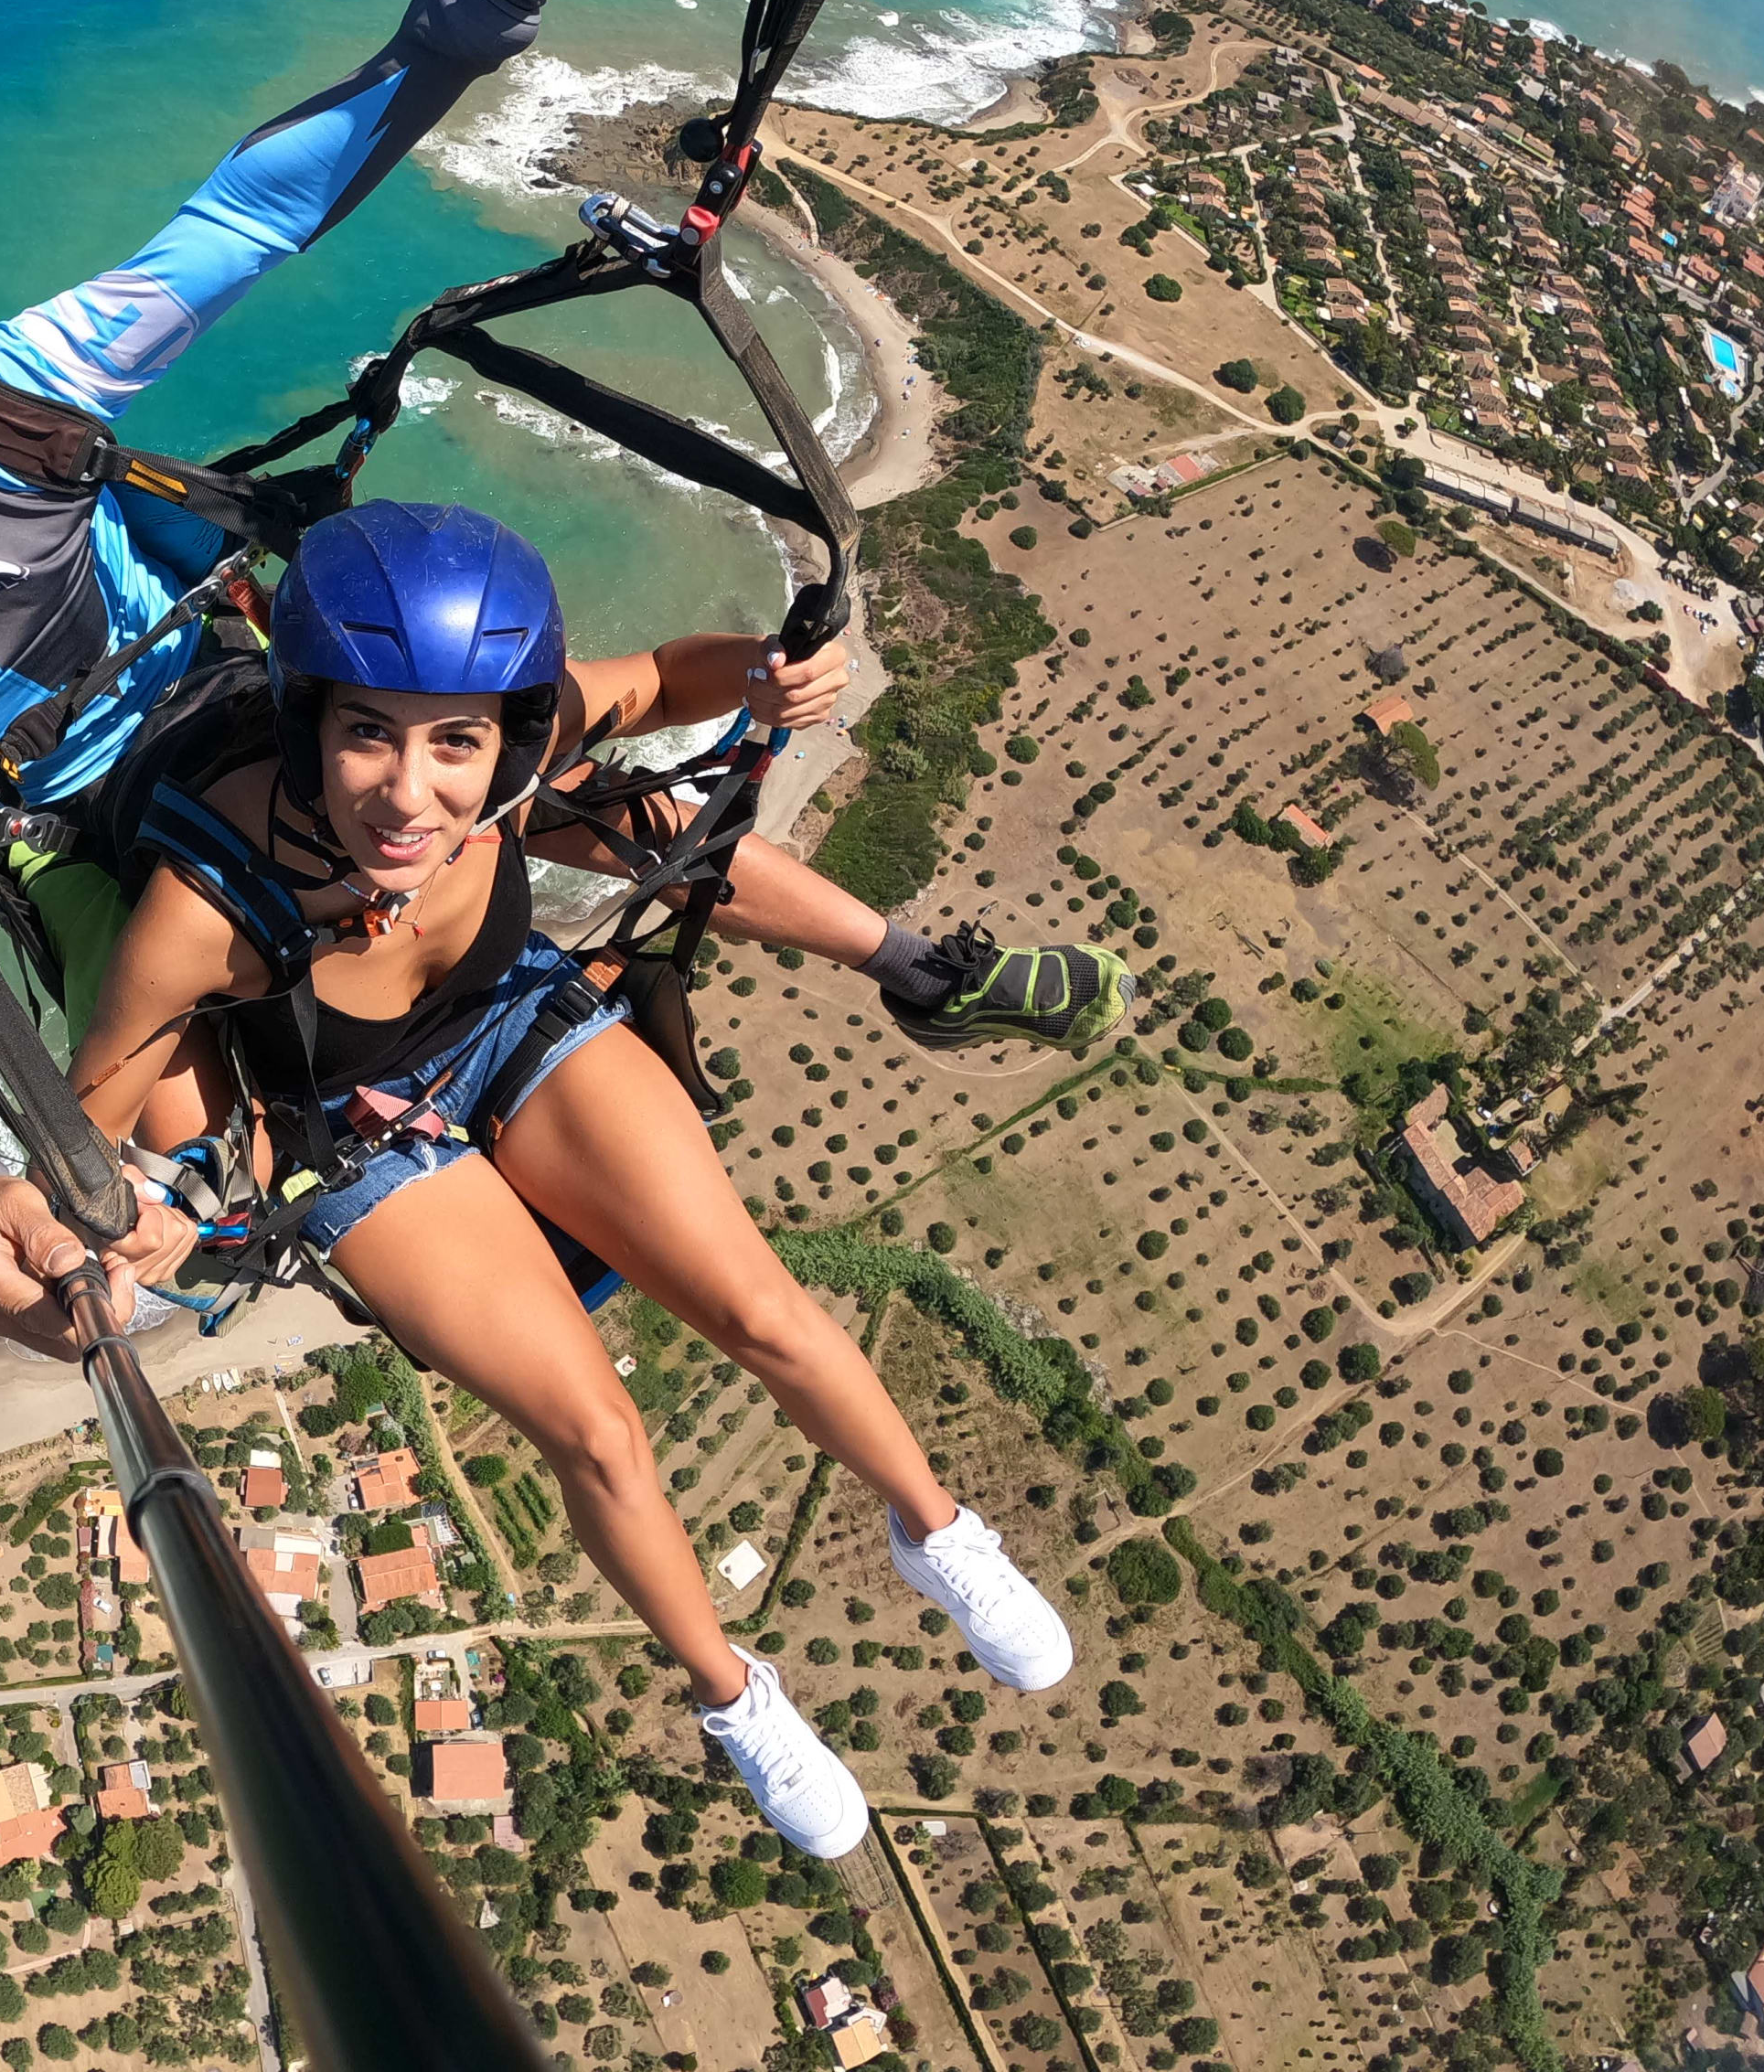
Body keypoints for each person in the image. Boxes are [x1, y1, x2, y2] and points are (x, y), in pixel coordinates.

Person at [0, 0, 1123, 1362]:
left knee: (553, 781)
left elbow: (251, 212)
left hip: (233, 688)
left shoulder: (22, 396)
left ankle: (925, 964)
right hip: (89, 840)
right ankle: (300, 1173)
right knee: (159, 1089)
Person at [64, 500, 1077, 1856]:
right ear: (311, 722)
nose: (408, 793)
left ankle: (938, 1531)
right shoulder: (206, 904)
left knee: (759, 1307)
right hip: (355, 1132)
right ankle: (735, 1698)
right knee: (597, 1429)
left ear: (507, 733)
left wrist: (770, 676)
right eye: (367, 731)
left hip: (514, 1027)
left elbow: (664, 680)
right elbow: (92, 1115)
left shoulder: (519, 757)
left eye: (454, 744)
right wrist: (140, 1219)